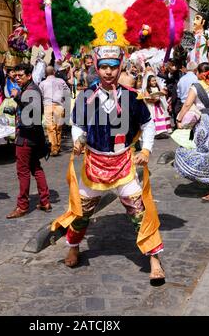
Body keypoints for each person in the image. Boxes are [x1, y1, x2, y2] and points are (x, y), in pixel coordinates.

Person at [52, 43, 165, 285]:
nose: (108, 72)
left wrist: (145, 150)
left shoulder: (132, 97)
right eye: (103, 67)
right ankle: (73, 246)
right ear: (96, 67)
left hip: (124, 163)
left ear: (119, 67)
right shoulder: (85, 97)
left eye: (113, 67)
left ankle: (154, 258)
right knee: (81, 212)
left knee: (140, 212)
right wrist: (78, 140)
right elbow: (77, 125)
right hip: (94, 165)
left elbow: (148, 124)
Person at [174, 62, 209, 201]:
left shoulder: (196, 86)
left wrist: (179, 119)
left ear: (198, 73)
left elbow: (187, 104)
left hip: (204, 124)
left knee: (206, 153)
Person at [6, 63, 51, 219]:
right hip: (33, 136)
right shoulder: (29, 89)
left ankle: (22, 206)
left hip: (26, 137)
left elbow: (31, 110)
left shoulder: (31, 90)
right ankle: (45, 201)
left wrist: (17, 97)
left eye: (20, 76)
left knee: (23, 172)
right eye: (15, 76)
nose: (17, 78)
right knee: (36, 168)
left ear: (29, 76)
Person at [39, 66, 70, 156]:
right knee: (58, 127)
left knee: (50, 128)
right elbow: (67, 92)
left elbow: (40, 95)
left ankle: (54, 147)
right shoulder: (61, 81)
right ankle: (56, 147)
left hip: (48, 105)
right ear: (54, 72)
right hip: (59, 105)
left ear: (45, 73)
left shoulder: (42, 83)